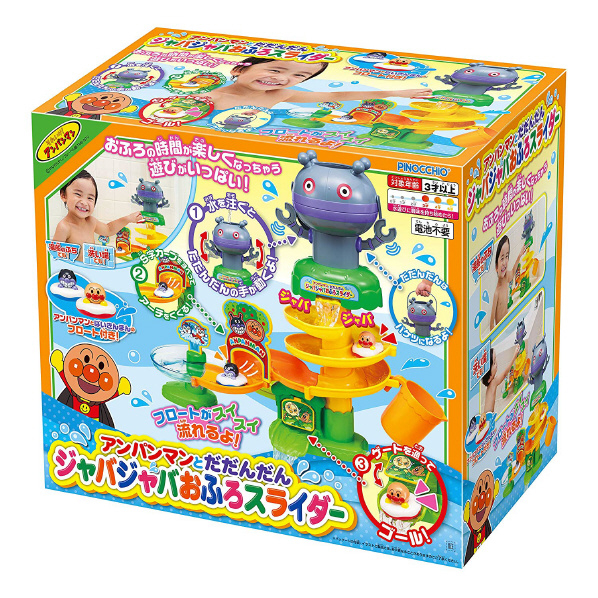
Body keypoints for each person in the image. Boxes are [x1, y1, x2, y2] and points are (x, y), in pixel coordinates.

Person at [204, 57, 432, 110]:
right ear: (238, 69)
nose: (282, 79)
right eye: (275, 70)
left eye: (299, 76)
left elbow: (336, 96)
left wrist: (395, 92)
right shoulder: (212, 97)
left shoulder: (279, 94)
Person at [53, 170, 143, 260]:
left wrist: (128, 218)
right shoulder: (64, 227)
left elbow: (109, 229)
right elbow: (55, 256)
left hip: (91, 266)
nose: (84, 202)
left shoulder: (91, 222)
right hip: (75, 269)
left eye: (90, 198)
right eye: (78, 194)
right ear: (64, 195)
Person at [489, 235, 526, 328]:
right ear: (496, 267)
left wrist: (519, 255)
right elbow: (491, 323)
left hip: (507, 322)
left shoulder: (506, 279)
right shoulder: (496, 293)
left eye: (507, 256)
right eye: (502, 258)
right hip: (501, 328)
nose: (505, 262)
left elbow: (513, 272)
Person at [482, 347, 519, 413]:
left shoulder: (490, 385)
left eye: (495, 360)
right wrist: (514, 356)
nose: (496, 364)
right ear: (489, 377)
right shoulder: (493, 383)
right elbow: (505, 374)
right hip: (488, 416)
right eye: (494, 363)